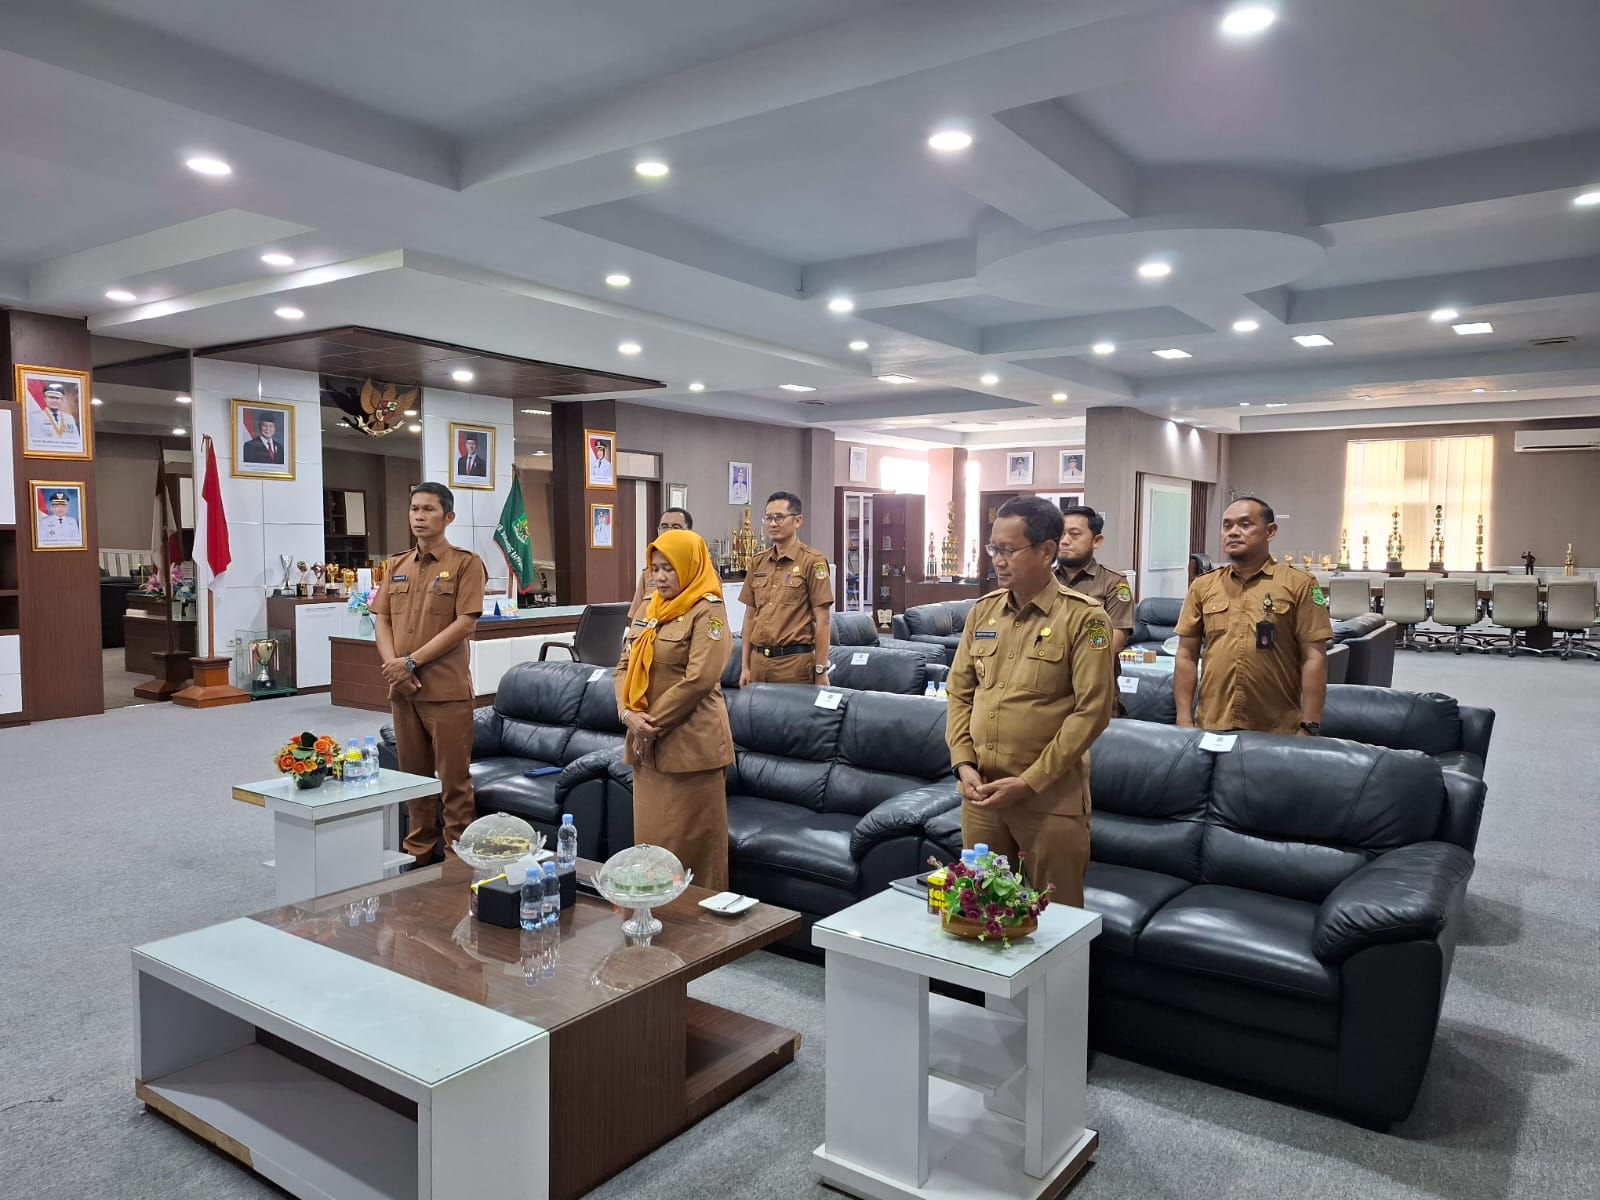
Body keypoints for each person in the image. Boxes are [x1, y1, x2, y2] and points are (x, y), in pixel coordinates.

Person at [946, 495, 1116, 907]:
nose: (997, 561)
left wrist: (1029, 782)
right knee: (982, 912)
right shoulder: (983, 612)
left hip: (1048, 800)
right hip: (983, 795)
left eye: (1008, 550)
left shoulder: (1085, 617)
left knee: (1055, 921)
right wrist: (963, 762)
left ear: (1046, 550)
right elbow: (959, 692)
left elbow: (1093, 711)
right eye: (994, 549)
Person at [370, 482, 489, 865]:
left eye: (428, 510)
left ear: (448, 517)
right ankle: (418, 854)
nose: (419, 517)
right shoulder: (396, 565)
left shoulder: (466, 564)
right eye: (414, 509)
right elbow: (382, 619)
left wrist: (409, 662)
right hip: (404, 692)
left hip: (445, 692)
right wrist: (394, 666)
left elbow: (465, 623)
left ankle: (458, 861)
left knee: (454, 784)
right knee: (413, 780)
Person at [614, 530, 734, 890]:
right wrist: (627, 715)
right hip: (647, 748)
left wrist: (649, 723)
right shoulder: (649, 609)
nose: (660, 577)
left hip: (691, 747)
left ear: (689, 566)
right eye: (655, 568)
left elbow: (699, 679)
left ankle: (699, 923)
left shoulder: (708, 611)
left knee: (694, 855)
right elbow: (623, 666)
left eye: (669, 568)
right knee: (651, 850)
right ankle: (653, 914)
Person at [1173, 496, 1333, 736]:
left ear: (1270, 531)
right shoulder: (1202, 586)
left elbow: (1314, 657)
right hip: (1212, 725)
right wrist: (1184, 719)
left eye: (1245, 524)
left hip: (1277, 729)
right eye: (1227, 526)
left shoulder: (1299, 584)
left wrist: (1310, 725)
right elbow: (1186, 654)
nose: (1233, 532)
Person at [739, 491, 833, 685]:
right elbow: (749, 616)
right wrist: (745, 666)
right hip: (759, 662)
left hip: (793, 664)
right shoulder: (758, 562)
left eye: (779, 518)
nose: (773, 524)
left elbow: (823, 621)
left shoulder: (812, 561)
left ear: (797, 521)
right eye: (768, 518)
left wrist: (821, 670)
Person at [1055, 504, 1133, 654]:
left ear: (1096, 541)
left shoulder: (1113, 582)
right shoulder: (1044, 580)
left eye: (1074, 534)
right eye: (1060, 534)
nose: (1064, 541)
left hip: (1092, 666)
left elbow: (1115, 643)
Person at [629, 507, 694, 620]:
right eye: (664, 527)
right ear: (658, 531)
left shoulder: (700, 572)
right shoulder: (649, 573)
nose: (668, 531)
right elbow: (634, 615)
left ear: (689, 532)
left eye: (676, 527)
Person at [28, 381, 81, 449]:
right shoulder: (35, 417)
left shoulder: (69, 418)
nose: (54, 401)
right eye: (51, 397)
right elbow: (35, 443)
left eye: (57, 398)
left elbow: (76, 444)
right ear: (45, 398)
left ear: (61, 399)